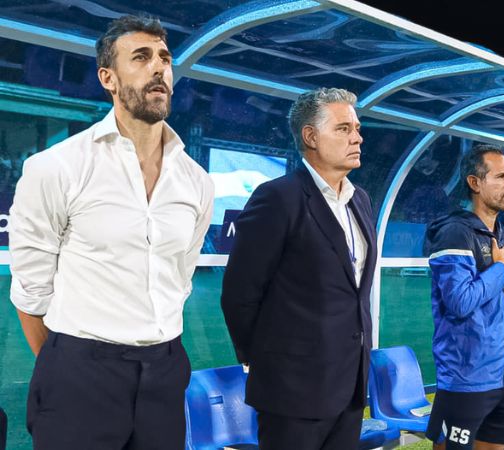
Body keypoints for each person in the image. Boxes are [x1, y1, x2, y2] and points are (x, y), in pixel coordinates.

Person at [9, 15, 213, 449]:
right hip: (80, 374)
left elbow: (181, 276)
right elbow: (30, 292)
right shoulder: (56, 168)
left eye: (164, 58)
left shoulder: (196, 181)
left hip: (165, 370)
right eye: (140, 57)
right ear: (108, 78)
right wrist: (68, 367)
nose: (159, 67)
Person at [221, 87, 377, 450]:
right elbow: (239, 294)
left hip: (350, 385)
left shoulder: (361, 200)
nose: (357, 137)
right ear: (310, 136)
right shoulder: (278, 197)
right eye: (343, 128)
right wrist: (268, 360)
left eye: (357, 128)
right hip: (292, 390)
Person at [425, 144, 504, 450]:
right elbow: (459, 302)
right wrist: (498, 270)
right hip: (467, 378)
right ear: (474, 183)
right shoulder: (455, 232)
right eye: (501, 177)